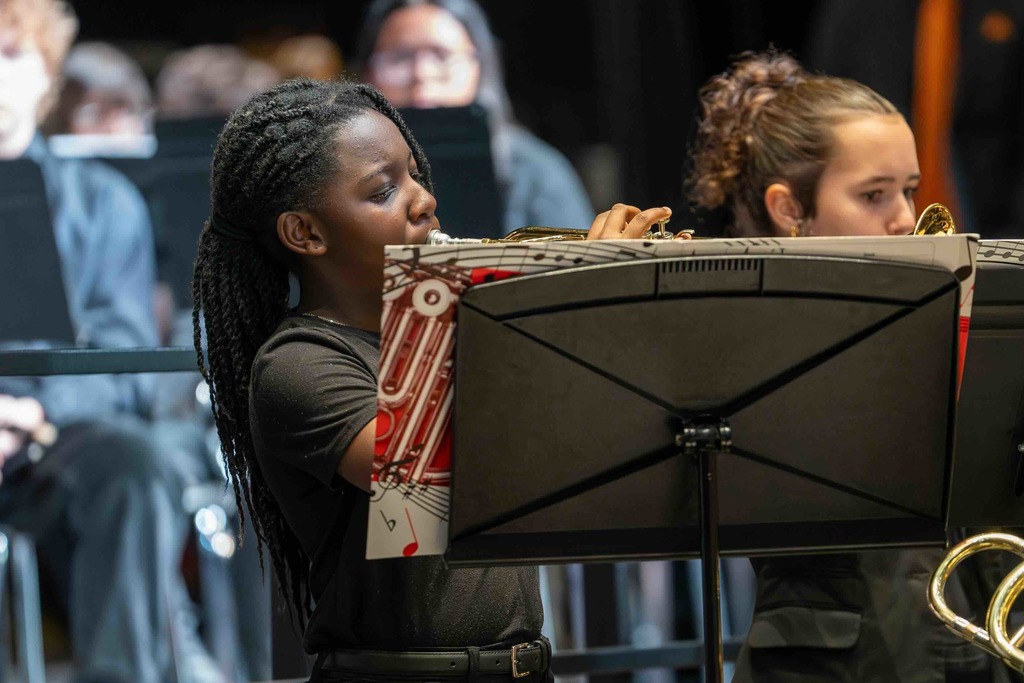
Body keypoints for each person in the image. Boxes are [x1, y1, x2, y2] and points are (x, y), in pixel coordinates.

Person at [190, 75, 671, 682]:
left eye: (415, 174)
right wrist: (578, 304)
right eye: (384, 190)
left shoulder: (460, 328)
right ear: (305, 233)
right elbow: (433, 482)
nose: (423, 200)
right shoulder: (298, 364)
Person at [686, 49, 995, 683]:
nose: (906, 218)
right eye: (874, 194)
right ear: (788, 208)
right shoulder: (738, 340)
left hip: (963, 649)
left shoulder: (945, 316)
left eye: (908, 190)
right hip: (825, 664)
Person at [0, 1, 226, 681]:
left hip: (48, 437)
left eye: (11, 55)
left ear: (45, 78)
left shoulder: (103, 202)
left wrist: (25, 414)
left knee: (137, 465)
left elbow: (120, 356)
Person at [348, 0, 596, 236]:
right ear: (367, 72)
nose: (422, 74)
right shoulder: (343, 170)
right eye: (400, 57)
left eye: (442, 55)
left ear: (479, 66)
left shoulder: (537, 170)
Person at [802, 0, 1024, 239]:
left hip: (997, 231)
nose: (908, 220)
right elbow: (820, 115)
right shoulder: (855, 10)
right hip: (873, 246)